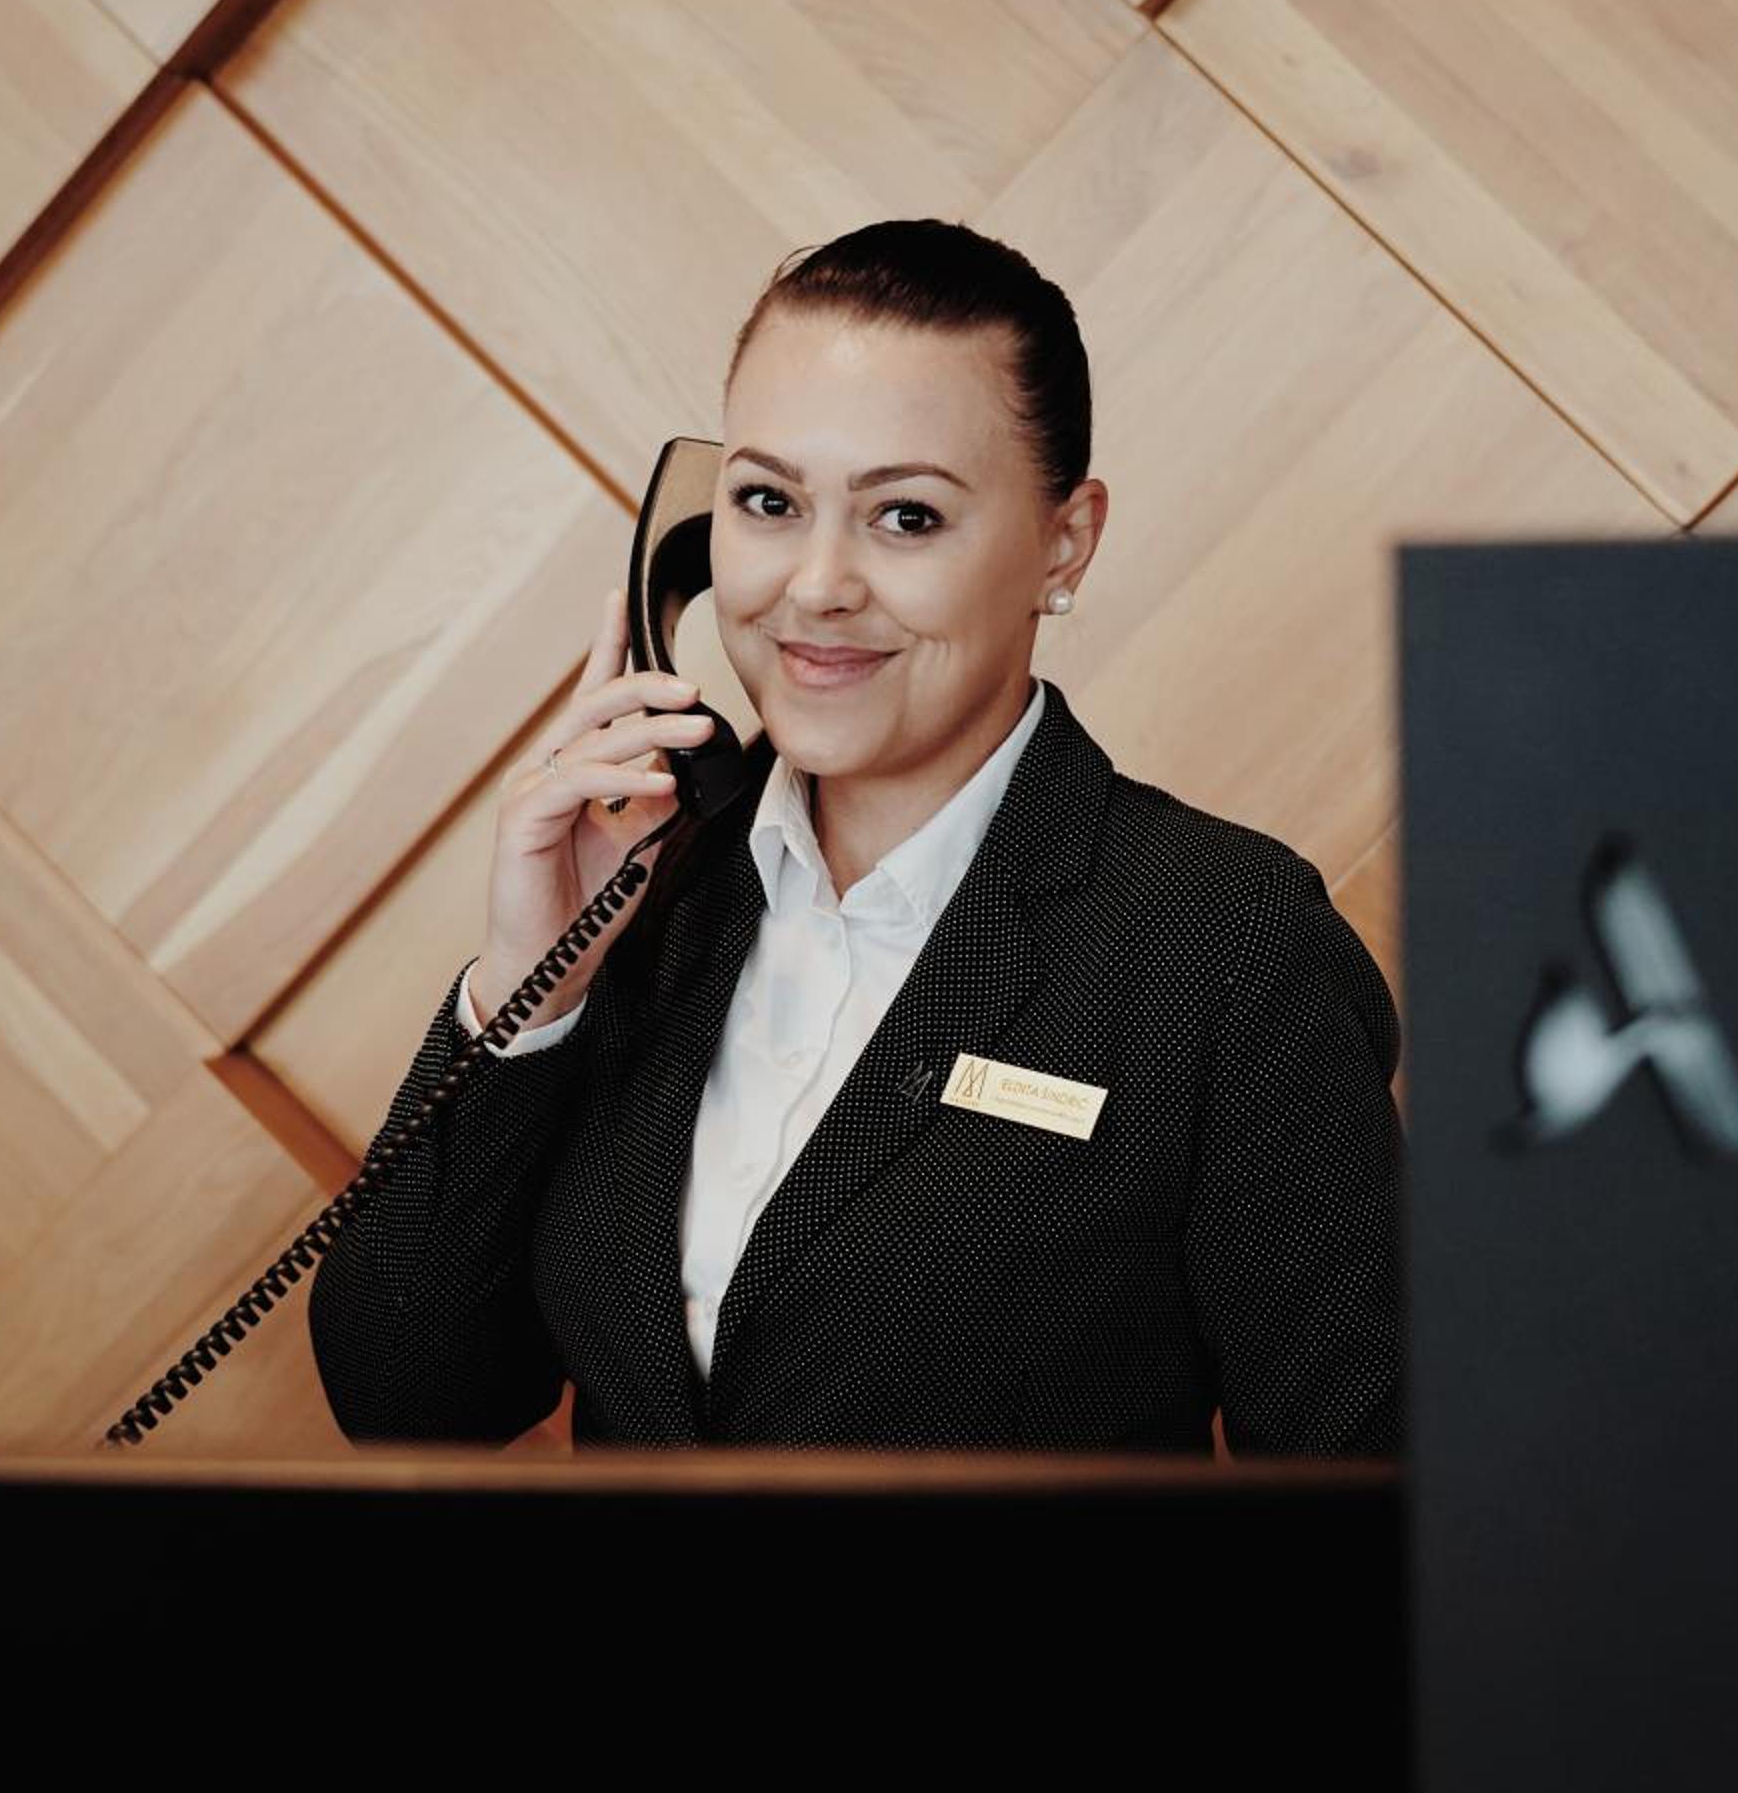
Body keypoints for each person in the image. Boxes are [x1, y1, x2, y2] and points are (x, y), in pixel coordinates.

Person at [307, 218, 1402, 1455]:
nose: (817, 583)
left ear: (1065, 542)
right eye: (768, 501)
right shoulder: (652, 892)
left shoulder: (1224, 944)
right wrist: (529, 990)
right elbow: (408, 1399)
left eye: (907, 517)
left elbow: (1368, 1495)